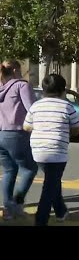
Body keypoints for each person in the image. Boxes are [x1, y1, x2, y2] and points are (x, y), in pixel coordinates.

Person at [23, 74, 79, 226]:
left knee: (52, 181)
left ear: (43, 90)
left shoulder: (36, 106)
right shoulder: (67, 106)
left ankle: (61, 211)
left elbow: (26, 126)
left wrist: (41, 126)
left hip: (37, 151)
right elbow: (76, 129)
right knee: (50, 184)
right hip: (57, 152)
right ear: (63, 91)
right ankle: (41, 219)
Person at [0, 59, 38, 220]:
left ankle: (8, 208)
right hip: (17, 134)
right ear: (15, 70)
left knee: (9, 170)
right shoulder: (22, 85)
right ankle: (16, 203)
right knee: (30, 169)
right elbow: (32, 109)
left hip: (1, 134)